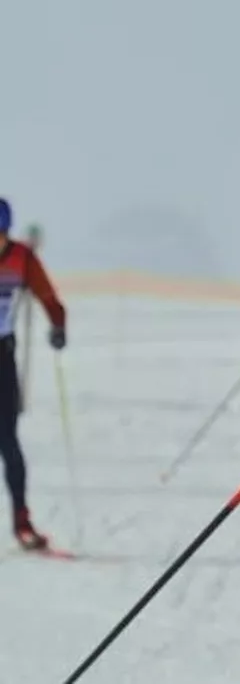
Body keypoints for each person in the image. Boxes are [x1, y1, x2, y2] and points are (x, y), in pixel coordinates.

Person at [0, 197, 67, 551]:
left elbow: (46, 293)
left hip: (2, 358)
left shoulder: (21, 258)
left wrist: (58, 324)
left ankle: (22, 522)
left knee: (8, 442)